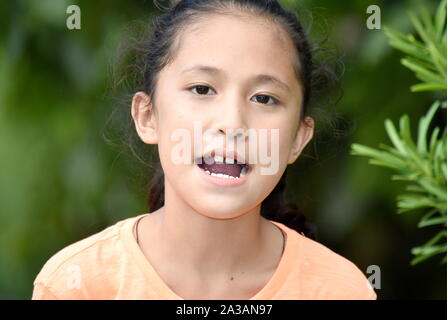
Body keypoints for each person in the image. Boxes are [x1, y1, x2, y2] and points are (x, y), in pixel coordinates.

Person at [32, 0, 377, 300]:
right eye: (202, 88)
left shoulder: (341, 290)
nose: (232, 122)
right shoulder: (77, 285)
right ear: (148, 116)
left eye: (264, 98)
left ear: (298, 138)